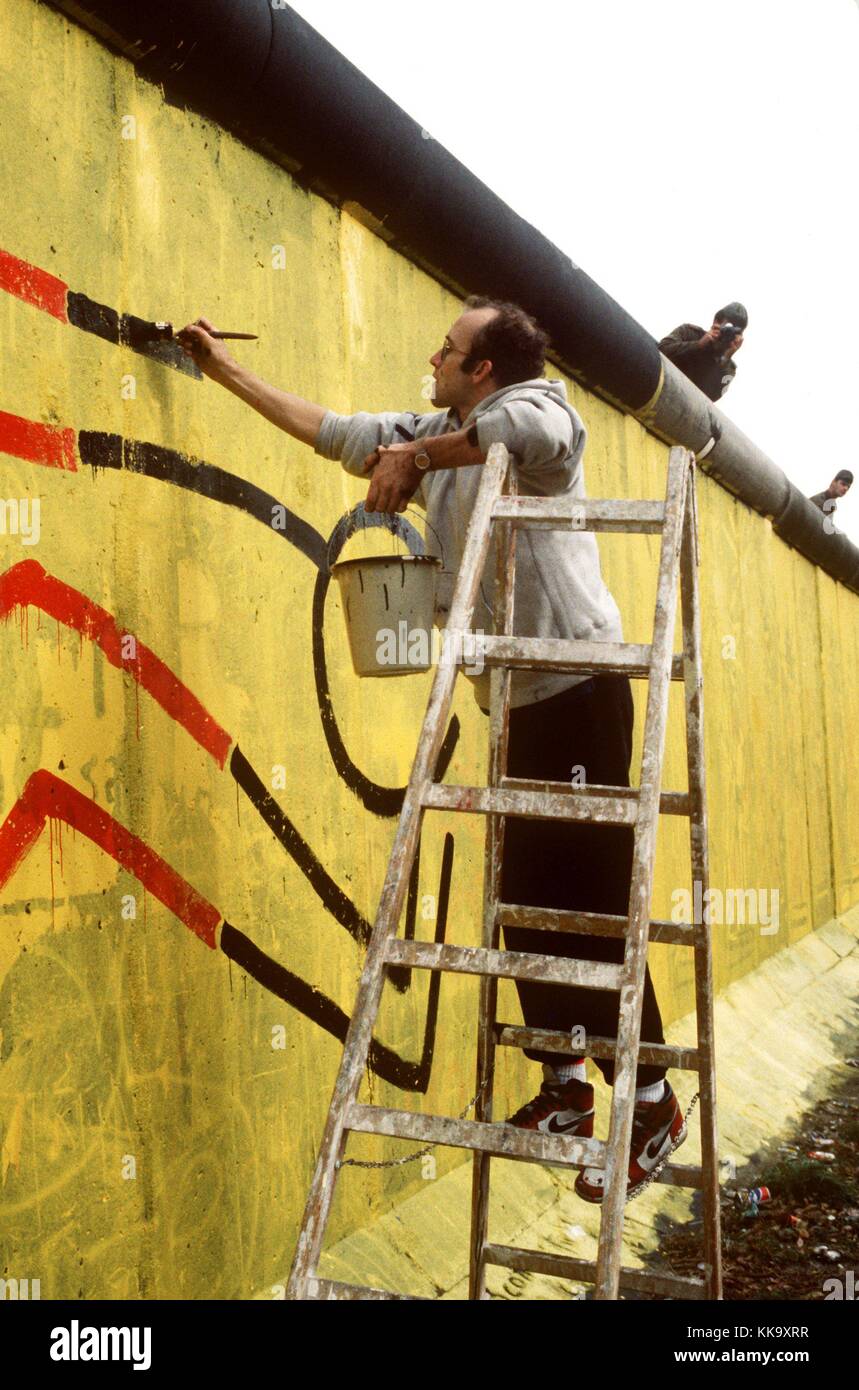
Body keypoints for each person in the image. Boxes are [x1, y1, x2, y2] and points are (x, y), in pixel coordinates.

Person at [176, 297, 686, 1204]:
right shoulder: (439, 426)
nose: (433, 356)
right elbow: (334, 430)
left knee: (596, 904)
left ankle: (648, 1100)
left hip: (578, 686)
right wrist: (222, 368)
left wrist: (418, 456)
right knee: (523, 903)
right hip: (517, 701)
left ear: (483, 368)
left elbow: (520, 436)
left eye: (447, 349)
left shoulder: (542, 410)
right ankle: (565, 1083)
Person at [659, 301, 748, 402]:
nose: (729, 333)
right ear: (716, 321)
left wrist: (724, 360)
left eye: (735, 331)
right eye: (728, 327)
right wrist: (698, 345)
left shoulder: (728, 368)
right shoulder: (688, 332)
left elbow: (711, 398)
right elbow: (661, 350)